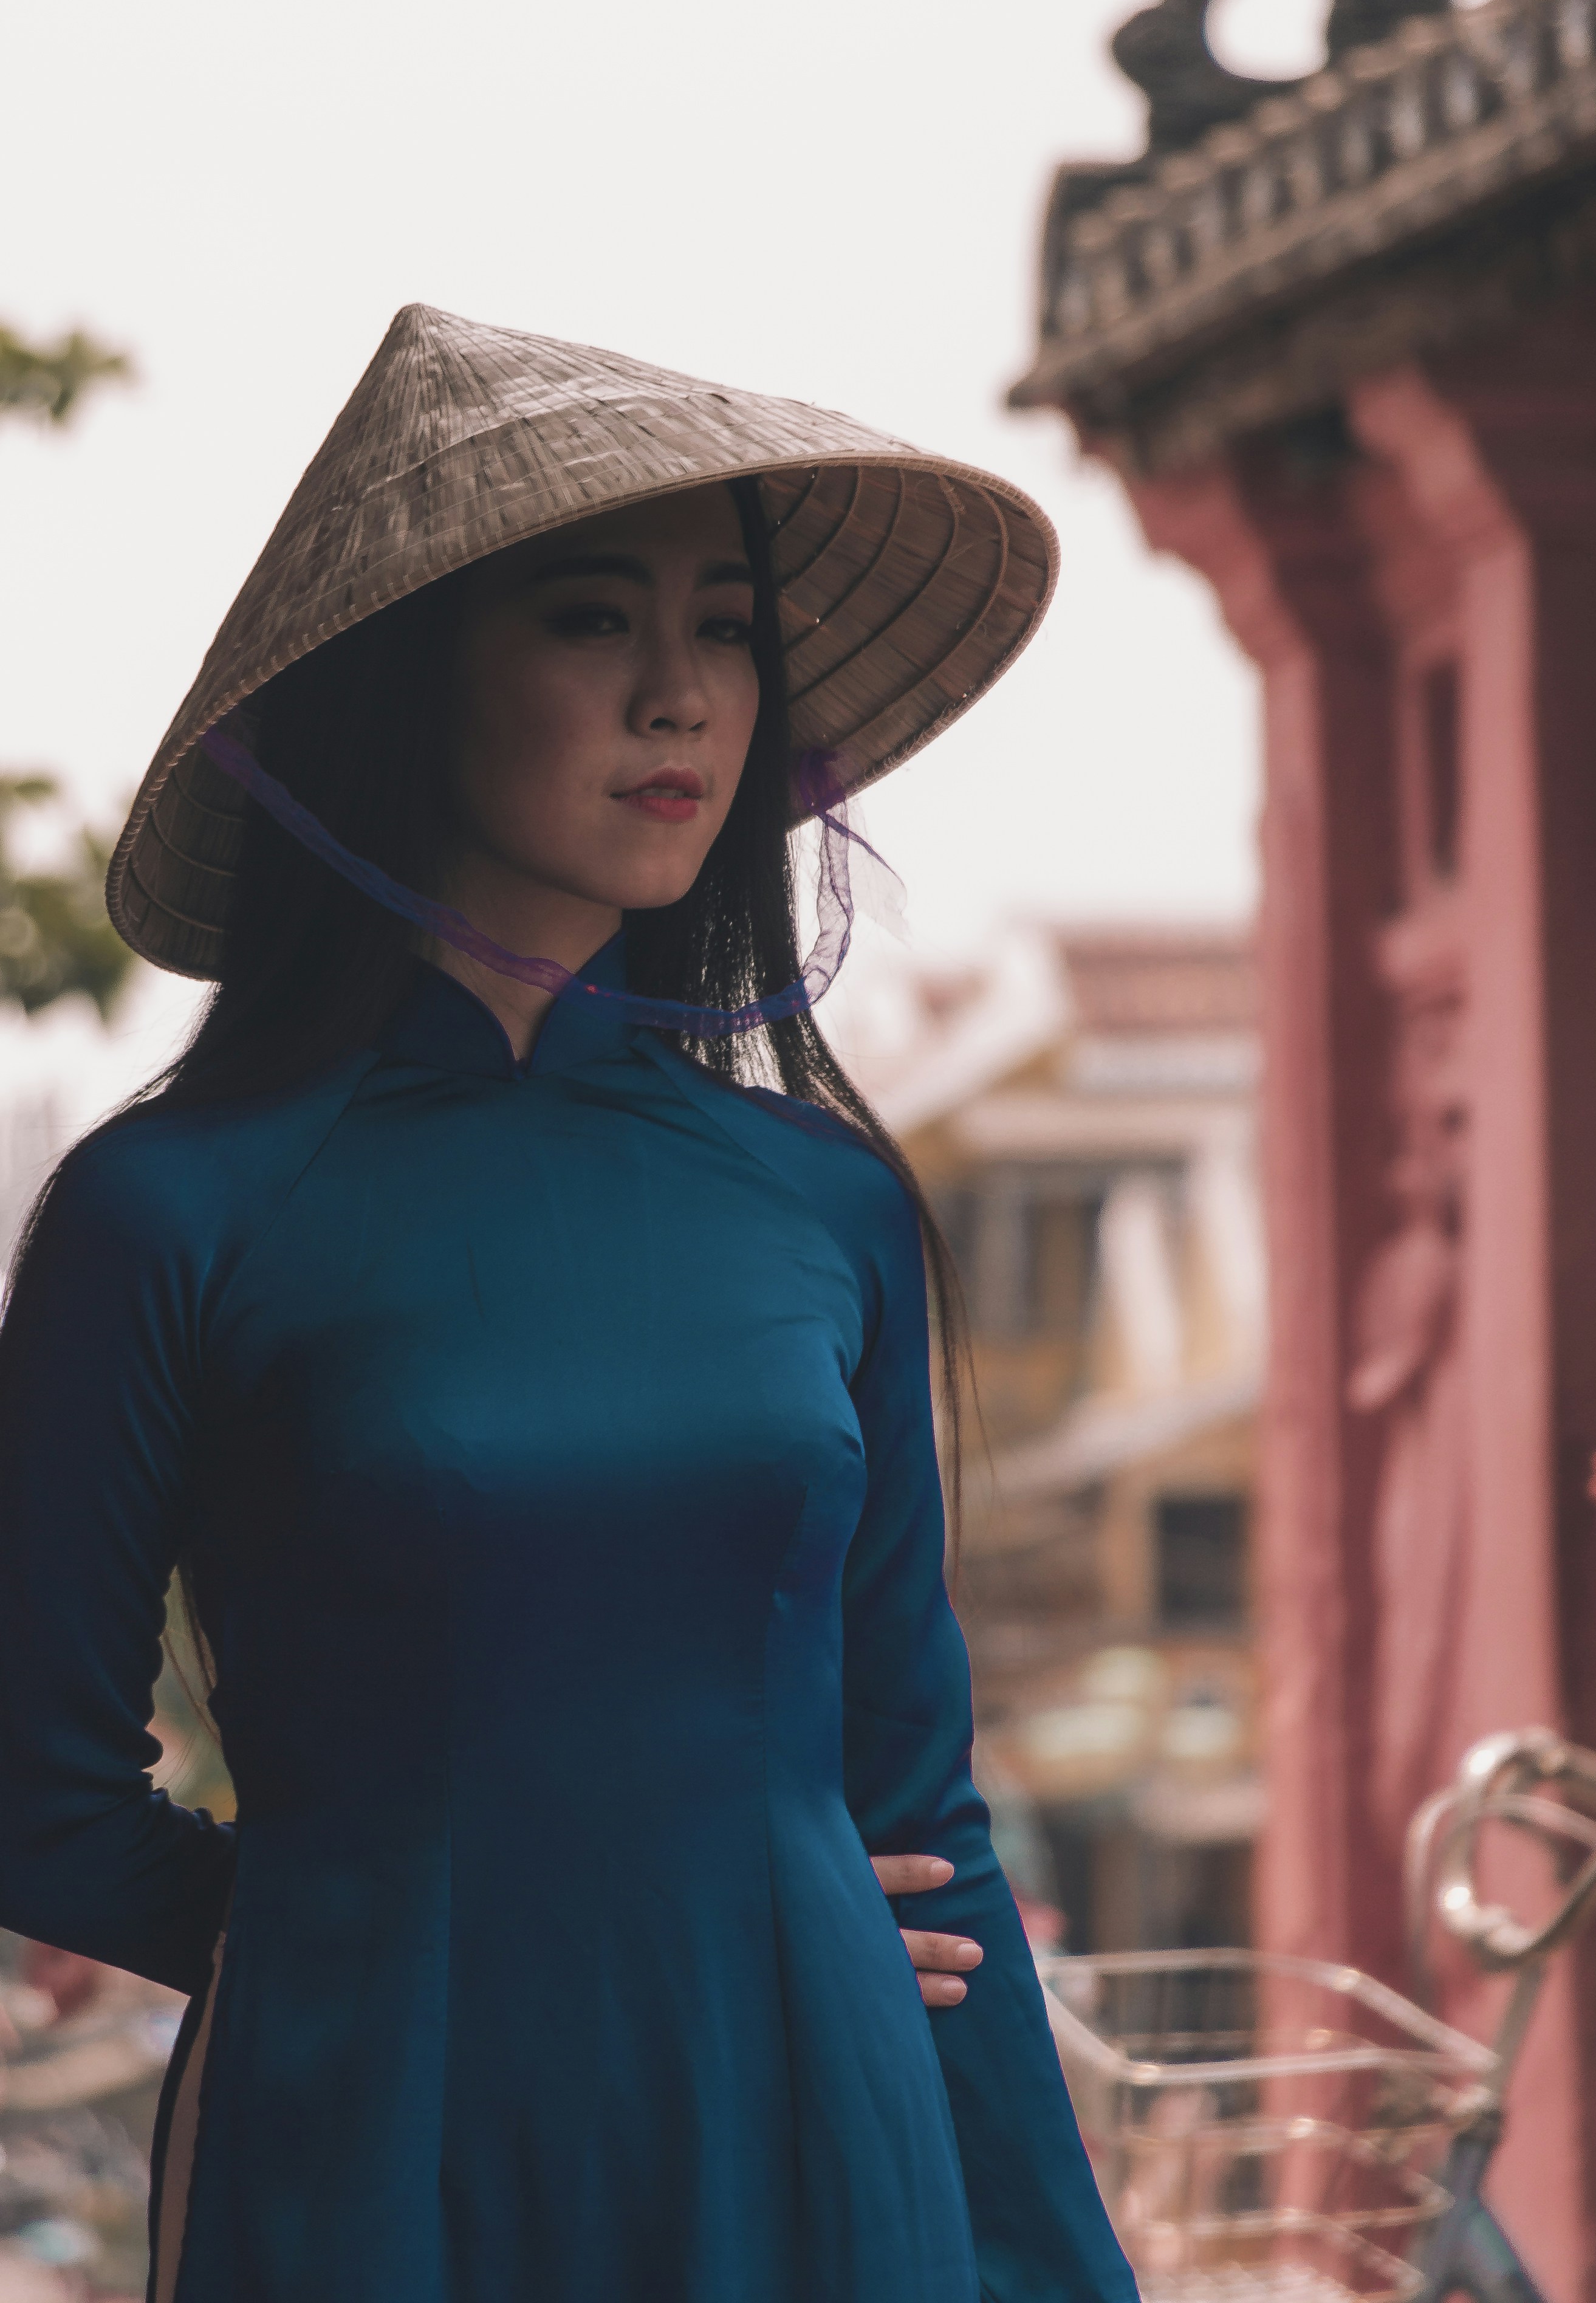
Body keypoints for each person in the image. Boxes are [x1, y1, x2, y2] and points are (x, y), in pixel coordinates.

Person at [0, 306, 1135, 2303]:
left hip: (818, 2120)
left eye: (728, 629)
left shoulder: (824, 1201)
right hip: (383, 2135)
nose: (683, 695)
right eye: (597, 620)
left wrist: (1058, 2271)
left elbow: (916, 1800)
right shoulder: (170, 1210)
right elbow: (36, 1795)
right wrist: (370, 1933)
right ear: (406, 677)